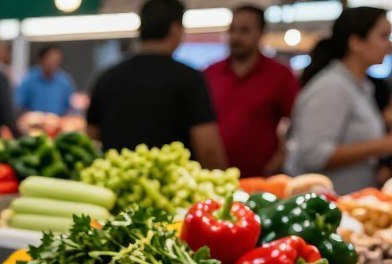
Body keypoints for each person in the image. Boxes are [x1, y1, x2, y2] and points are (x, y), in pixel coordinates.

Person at [86, 0, 227, 168]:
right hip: (174, 182)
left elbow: (90, 143)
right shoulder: (189, 79)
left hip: (116, 181)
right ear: (175, 29)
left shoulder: (107, 78)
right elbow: (208, 150)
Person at [289, 7, 392, 194]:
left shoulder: (361, 86)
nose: (389, 45)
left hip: (350, 201)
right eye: (383, 36)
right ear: (356, 42)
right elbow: (314, 154)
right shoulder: (332, 87)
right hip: (326, 205)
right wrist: (383, 145)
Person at [203, 6, 299, 177]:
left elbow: (298, 122)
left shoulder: (280, 75)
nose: (236, 37)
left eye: (245, 30)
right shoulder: (210, 73)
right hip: (214, 176)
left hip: (262, 179)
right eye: (232, 30)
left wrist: (282, 156)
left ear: (261, 33)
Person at [15, 45, 75, 116]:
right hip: (33, 120)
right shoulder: (28, 79)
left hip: (57, 120)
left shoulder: (64, 81)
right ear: (41, 60)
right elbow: (18, 104)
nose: (54, 63)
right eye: (51, 59)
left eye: (57, 60)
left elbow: (70, 106)